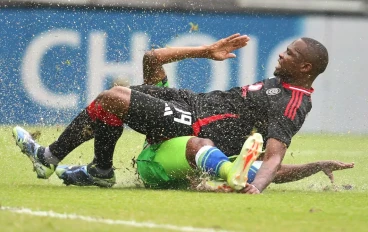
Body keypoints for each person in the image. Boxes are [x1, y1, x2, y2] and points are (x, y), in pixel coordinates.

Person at [13, 33, 331, 194]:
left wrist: (256, 187)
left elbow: (273, 156)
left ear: (305, 67)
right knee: (141, 71)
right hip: (187, 103)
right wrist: (206, 52)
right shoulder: (281, 84)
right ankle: (96, 169)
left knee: (114, 96)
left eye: (290, 53)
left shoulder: (293, 102)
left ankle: (56, 159)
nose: (281, 53)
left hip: (192, 125)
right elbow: (154, 57)